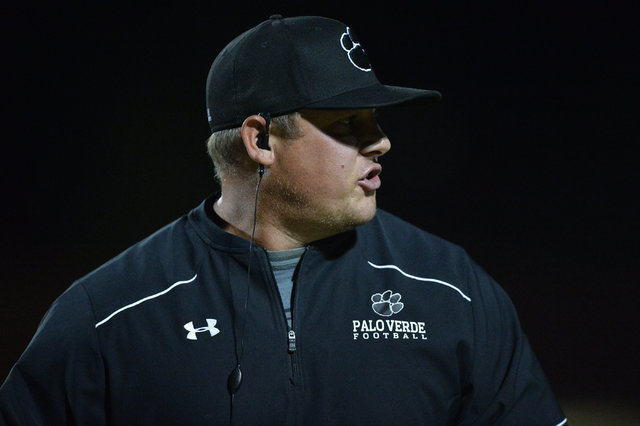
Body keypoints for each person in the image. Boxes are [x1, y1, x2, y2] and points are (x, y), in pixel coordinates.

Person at [0, 15, 567, 425]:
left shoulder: (449, 286)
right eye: (349, 125)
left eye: (377, 122)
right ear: (261, 139)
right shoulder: (112, 313)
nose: (382, 143)